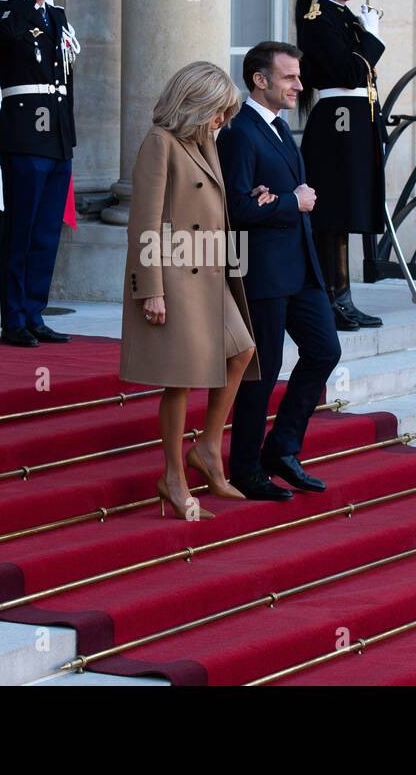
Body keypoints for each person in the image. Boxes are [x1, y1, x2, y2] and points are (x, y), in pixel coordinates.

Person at [120, 61, 262, 520]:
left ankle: (207, 449)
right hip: (175, 274)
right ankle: (173, 477)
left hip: (210, 271)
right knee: (181, 379)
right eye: (217, 111)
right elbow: (144, 221)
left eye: (225, 113)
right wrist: (151, 291)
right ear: (194, 102)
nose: (221, 121)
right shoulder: (159, 143)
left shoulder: (203, 142)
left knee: (241, 351)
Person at [218, 42, 342, 501]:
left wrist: (281, 200)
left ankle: (283, 447)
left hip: (300, 268)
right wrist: (293, 201)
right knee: (262, 371)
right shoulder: (238, 133)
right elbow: (234, 206)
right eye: (289, 77)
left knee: (324, 350)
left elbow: (264, 200)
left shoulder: (278, 127)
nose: (299, 85)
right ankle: (245, 468)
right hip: (263, 273)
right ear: (260, 80)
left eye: (298, 76)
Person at [0, 0, 80, 348]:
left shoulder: (55, 17)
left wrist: (68, 137)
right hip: (24, 138)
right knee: (21, 231)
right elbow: (8, 38)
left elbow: (64, 82)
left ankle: (35, 312)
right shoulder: (4, 12)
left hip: (56, 138)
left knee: (45, 234)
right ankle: (14, 318)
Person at [296, 0, 386, 331]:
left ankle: (343, 295)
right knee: (332, 212)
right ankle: (333, 297)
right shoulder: (317, 20)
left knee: (346, 209)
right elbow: (350, 72)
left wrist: (363, 33)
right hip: (337, 120)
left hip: (356, 118)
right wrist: (371, 38)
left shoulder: (345, 18)